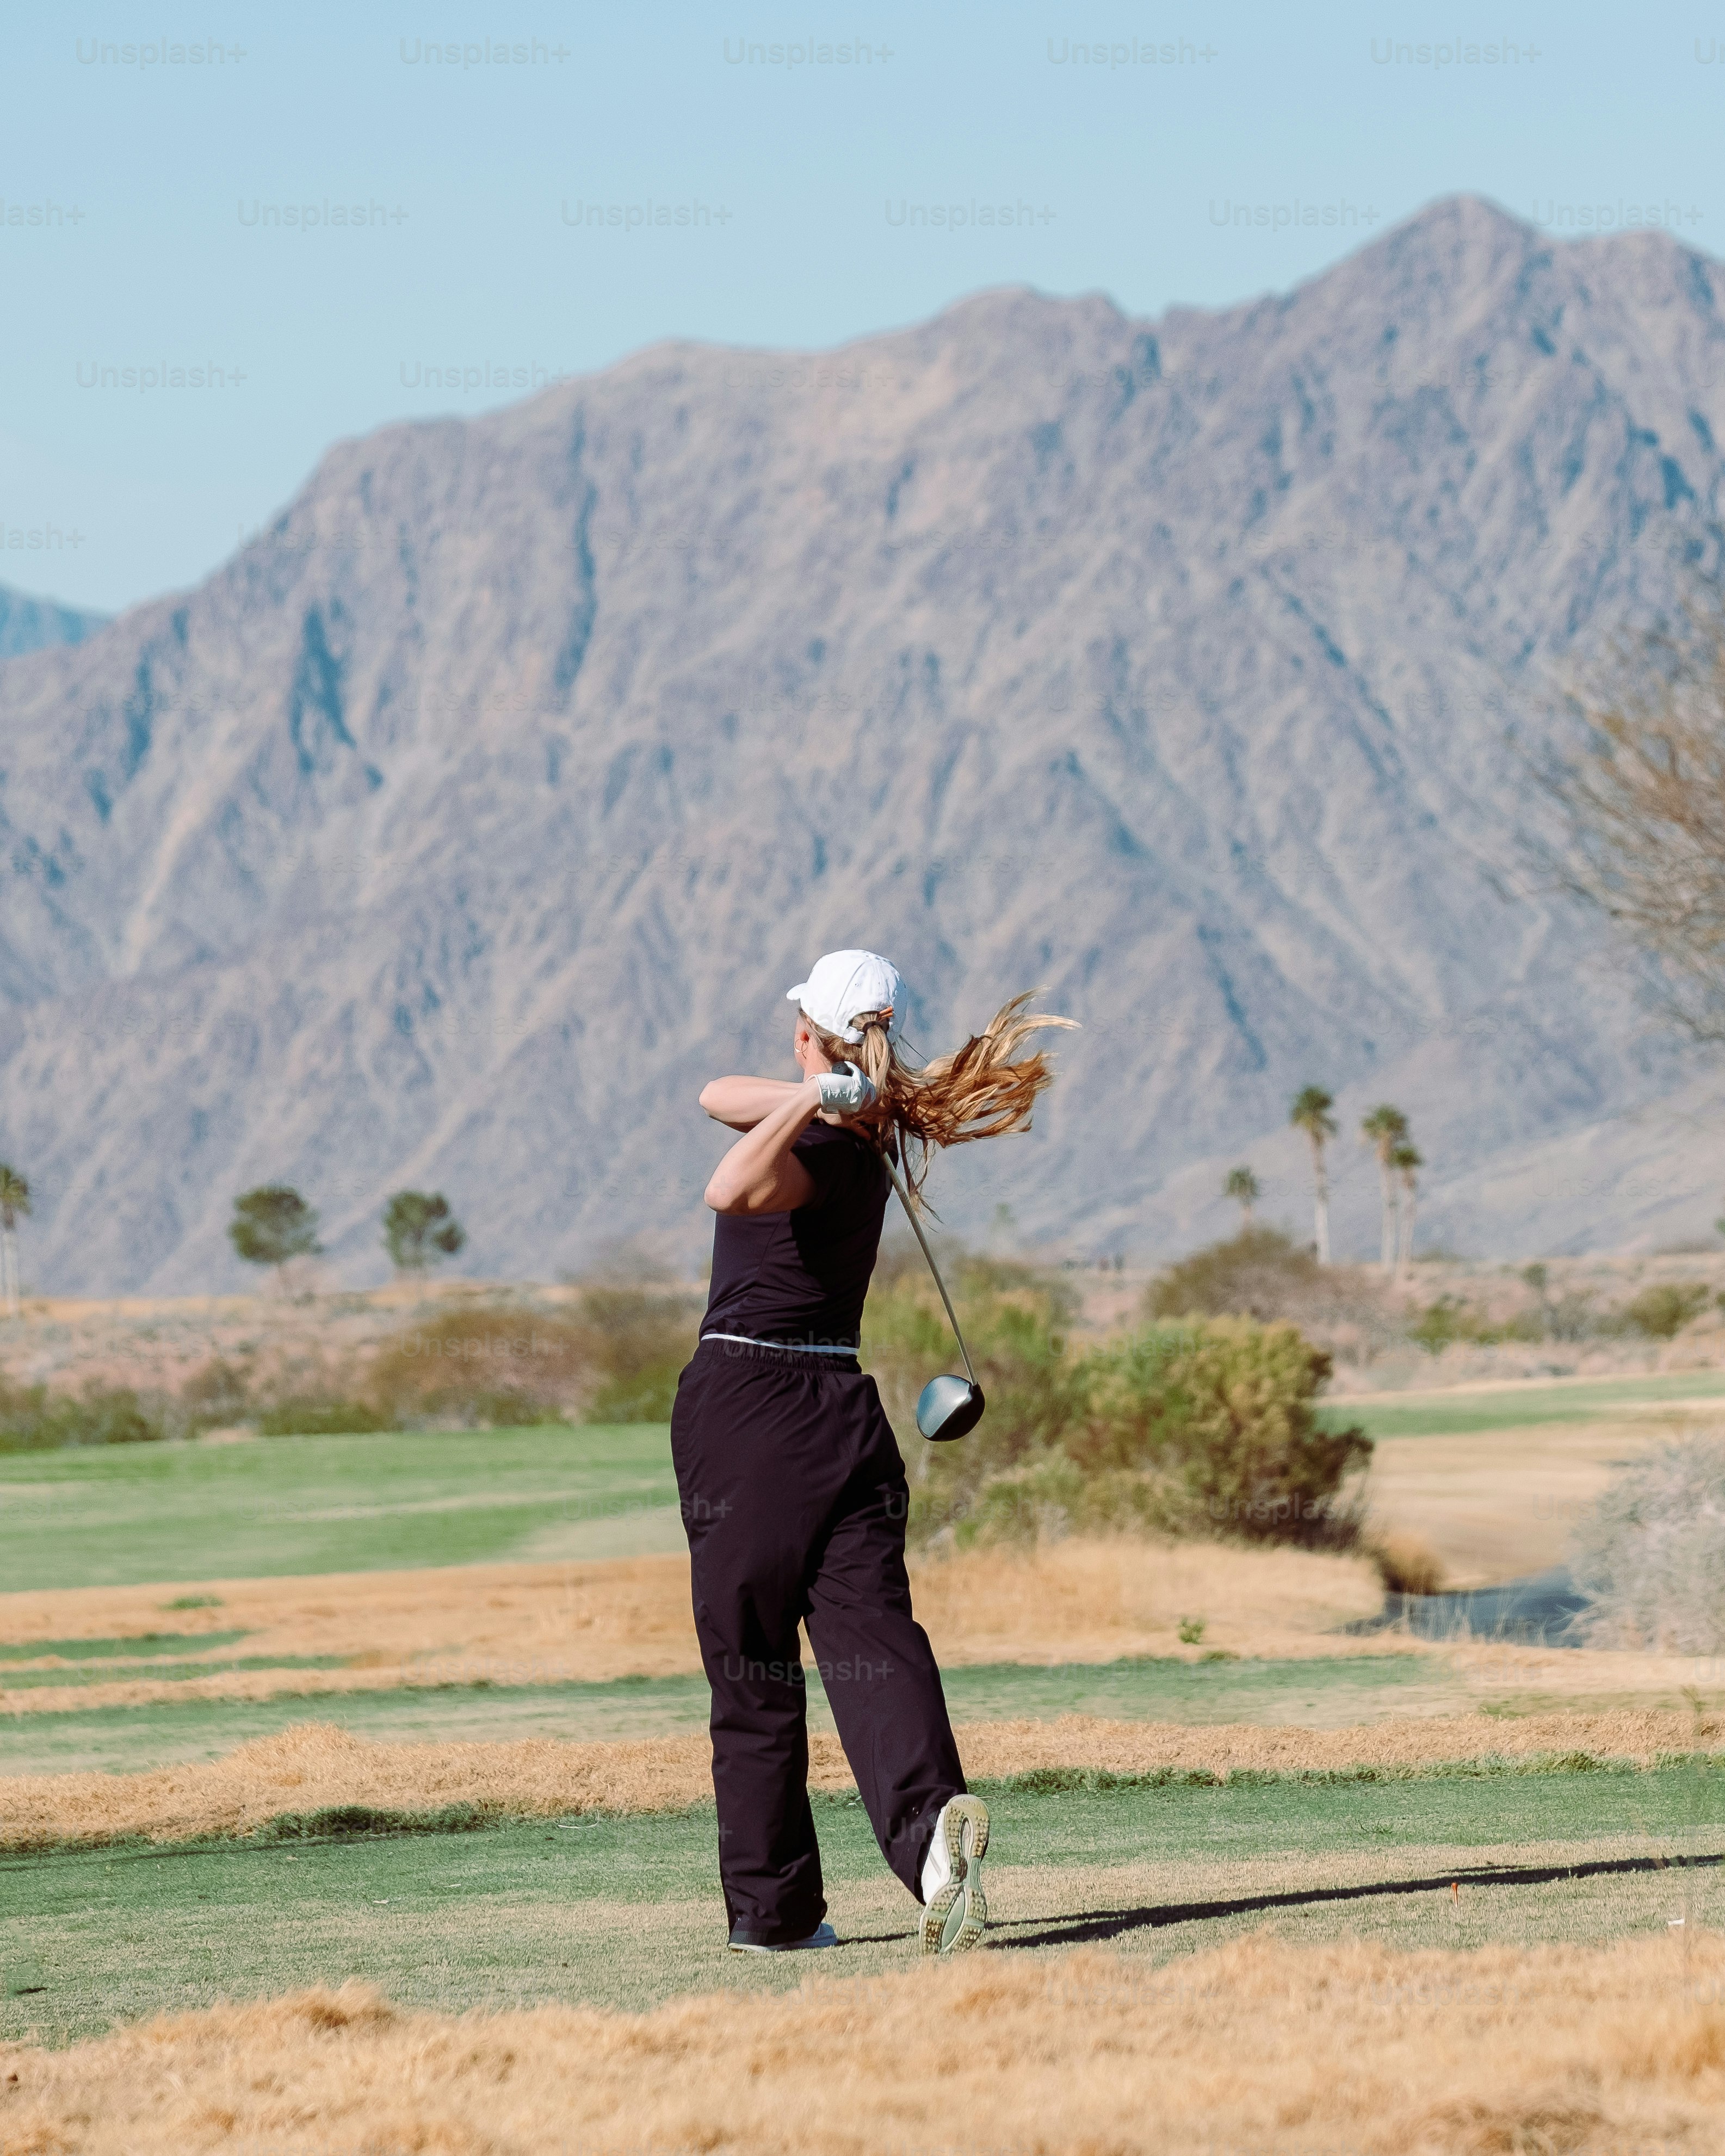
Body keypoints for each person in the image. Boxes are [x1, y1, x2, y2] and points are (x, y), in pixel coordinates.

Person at [672, 949, 1074, 1955]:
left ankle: (774, 1915)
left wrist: (805, 1100)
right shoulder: (869, 1128)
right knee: (873, 1642)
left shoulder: (812, 1146)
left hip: (749, 1409)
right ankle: (933, 1848)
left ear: (809, 1030)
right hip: (848, 1412)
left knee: (755, 1665)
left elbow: (728, 1184)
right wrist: (825, 1091)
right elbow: (715, 1092)